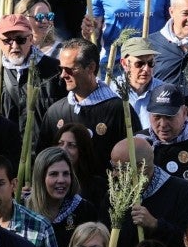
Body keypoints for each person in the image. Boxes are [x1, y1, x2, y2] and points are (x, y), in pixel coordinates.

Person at [40, 39, 130, 168]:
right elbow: (43, 159)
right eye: (61, 69)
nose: (63, 75)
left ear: (91, 68)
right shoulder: (55, 111)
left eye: (69, 69)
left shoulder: (119, 111)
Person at [0, 13, 65, 135]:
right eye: (7, 41)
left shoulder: (55, 70)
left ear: (31, 39)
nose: (15, 46)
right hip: (4, 149)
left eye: (21, 40)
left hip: (43, 148)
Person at [27, 146, 101, 247]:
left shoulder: (84, 210)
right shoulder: (23, 210)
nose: (61, 180)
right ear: (40, 177)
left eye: (66, 174)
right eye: (54, 174)